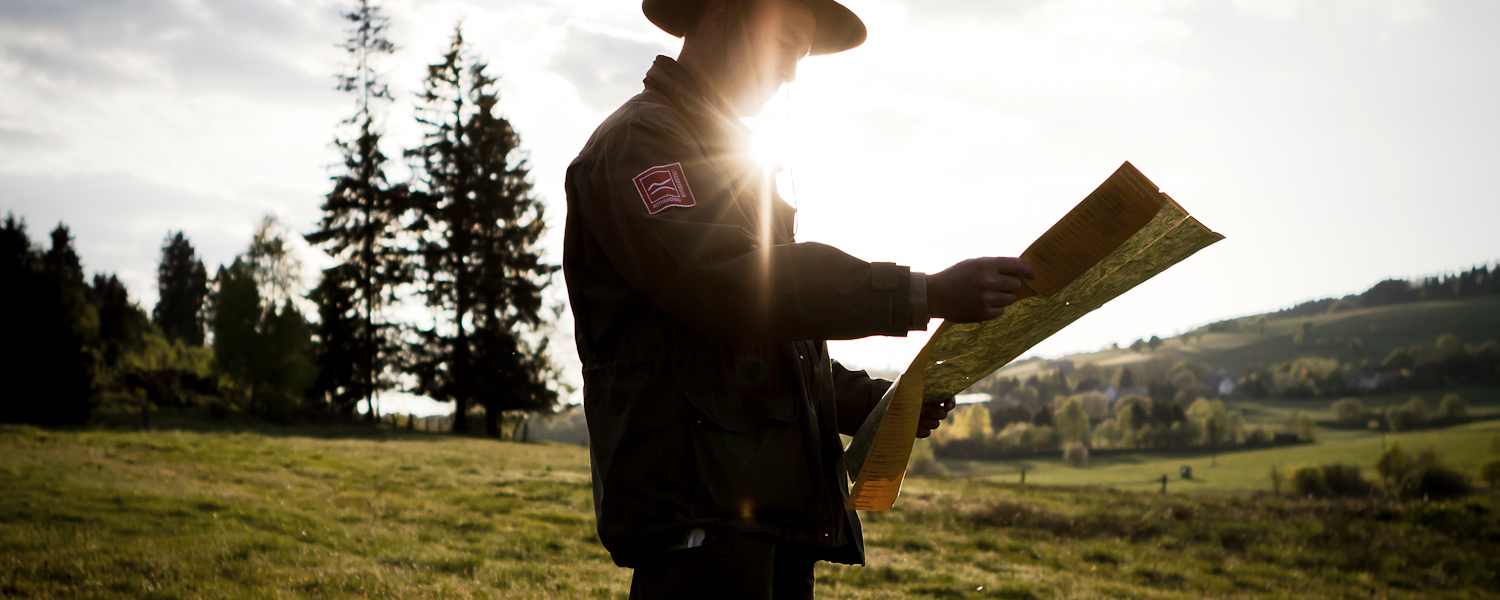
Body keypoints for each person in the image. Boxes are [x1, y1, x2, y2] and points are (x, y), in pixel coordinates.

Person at [562, 0, 1035, 596]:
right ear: (729, 16)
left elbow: (767, 336)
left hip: (761, 518)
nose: (790, 73)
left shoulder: (723, 152)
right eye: (786, 43)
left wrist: (871, 403)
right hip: (701, 521)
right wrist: (925, 291)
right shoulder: (640, 143)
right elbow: (732, 285)